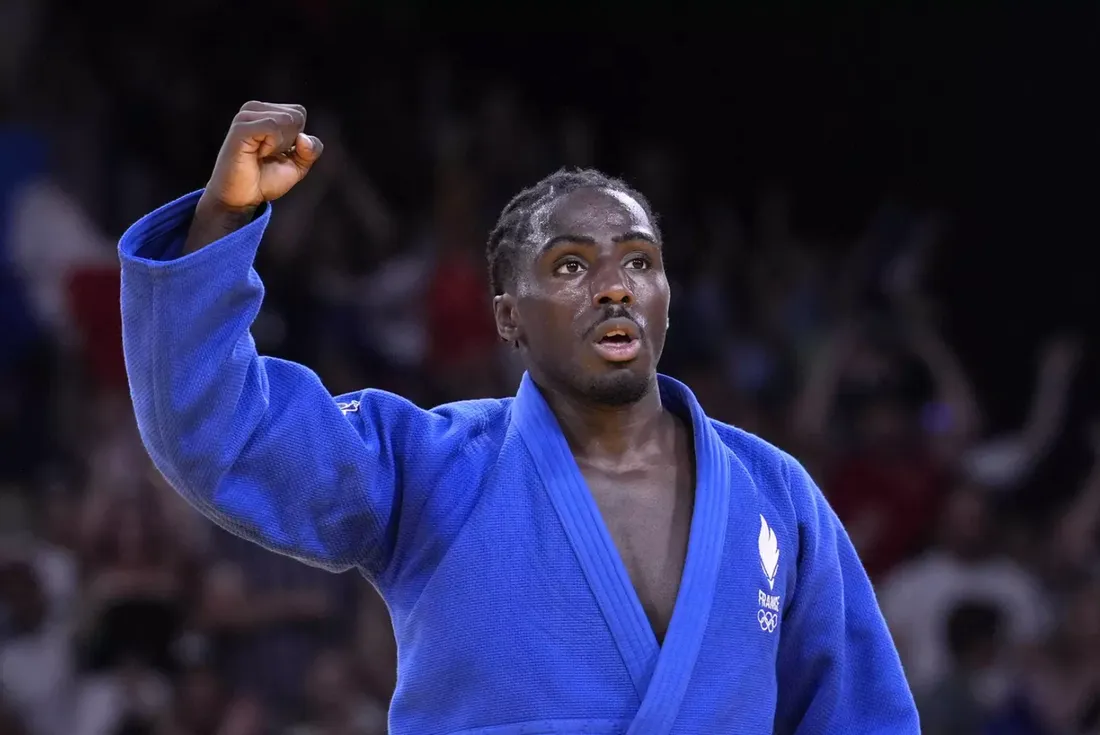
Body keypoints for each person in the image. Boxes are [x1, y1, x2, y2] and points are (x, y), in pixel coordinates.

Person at [118, 101, 919, 734]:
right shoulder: (433, 465)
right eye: (571, 264)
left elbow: (863, 716)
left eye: (639, 261)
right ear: (508, 317)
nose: (615, 286)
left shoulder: (774, 493)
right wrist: (219, 224)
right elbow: (221, 429)